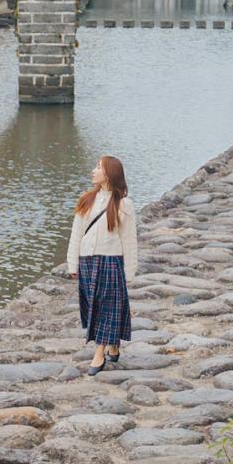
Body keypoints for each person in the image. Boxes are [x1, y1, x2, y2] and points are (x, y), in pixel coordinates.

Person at [66, 155, 138, 376]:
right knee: (94, 305)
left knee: (108, 305)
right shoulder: (86, 199)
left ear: (109, 173)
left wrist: (129, 270)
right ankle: (112, 343)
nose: (93, 171)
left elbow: (129, 239)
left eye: (98, 168)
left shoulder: (123, 204)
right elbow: (76, 234)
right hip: (87, 261)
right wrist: (72, 263)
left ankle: (99, 351)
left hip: (110, 261)